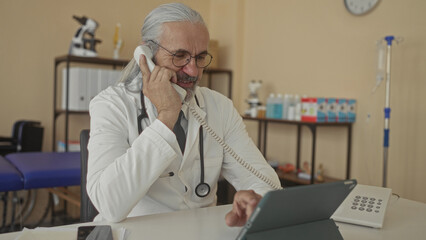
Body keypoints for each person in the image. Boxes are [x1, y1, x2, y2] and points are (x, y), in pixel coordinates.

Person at [87, 3, 280, 226]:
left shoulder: (219, 107)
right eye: (180, 56)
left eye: (200, 58)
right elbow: (109, 205)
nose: (193, 71)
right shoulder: (112, 104)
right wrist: (167, 116)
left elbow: (268, 185)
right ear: (147, 55)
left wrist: (257, 200)